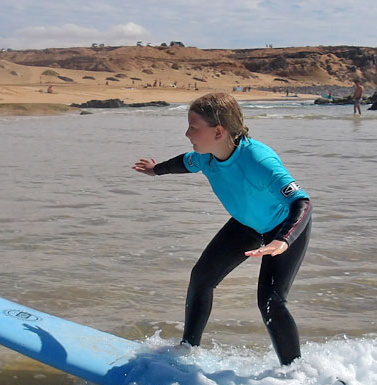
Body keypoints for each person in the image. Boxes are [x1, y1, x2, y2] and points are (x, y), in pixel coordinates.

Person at [132, 93, 311, 365]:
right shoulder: (207, 157)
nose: (187, 133)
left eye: (193, 127)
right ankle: (187, 351)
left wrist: (282, 241)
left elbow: (302, 202)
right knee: (201, 277)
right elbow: (184, 162)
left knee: (270, 301)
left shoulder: (258, 161)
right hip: (246, 226)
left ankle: (296, 372)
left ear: (218, 131)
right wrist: (156, 170)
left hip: (284, 229)